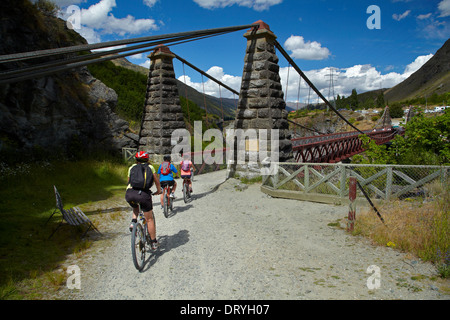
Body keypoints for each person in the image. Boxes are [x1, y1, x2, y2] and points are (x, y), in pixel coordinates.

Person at [125, 151, 161, 250]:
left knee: (135, 206)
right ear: (147, 159)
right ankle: (153, 242)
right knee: (149, 219)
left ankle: (133, 222)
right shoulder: (150, 167)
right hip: (144, 195)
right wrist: (159, 190)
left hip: (130, 194)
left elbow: (128, 181)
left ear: (136, 160)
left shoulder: (131, 168)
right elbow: (156, 181)